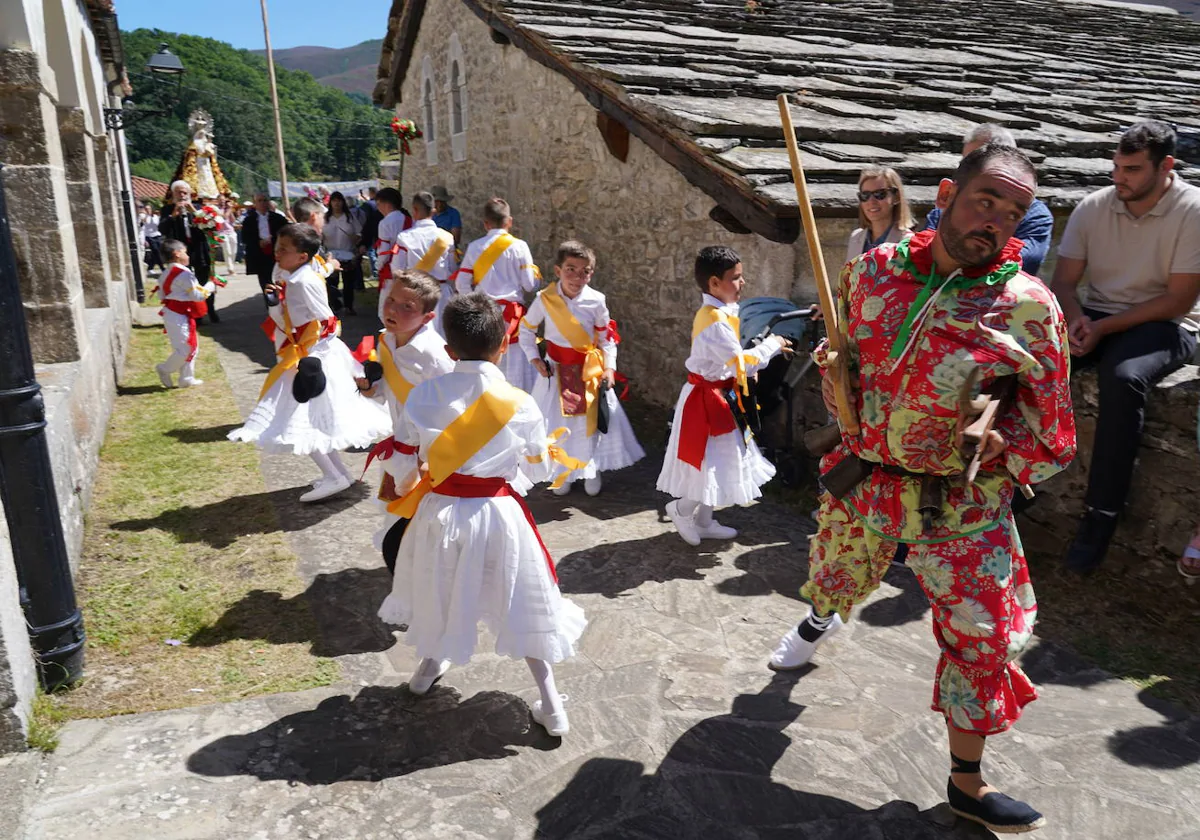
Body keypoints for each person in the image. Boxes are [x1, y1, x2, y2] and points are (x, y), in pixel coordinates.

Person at [768, 145, 1076, 835]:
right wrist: (834, 374)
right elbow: (842, 356)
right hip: (866, 484)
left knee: (984, 639)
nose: (995, 222)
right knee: (833, 576)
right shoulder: (872, 273)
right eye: (984, 201)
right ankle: (821, 617)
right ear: (946, 193)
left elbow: (1053, 437)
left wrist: (1002, 444)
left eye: (1014, 213)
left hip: (962, 506)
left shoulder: (1028, 308)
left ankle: (967, 783)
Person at [376, 292, 587, 736]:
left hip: (440, 511)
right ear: (504, 345)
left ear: (449, 350)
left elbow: (401, 455)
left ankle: (425, 669)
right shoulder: (520, 401)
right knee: (522, 601)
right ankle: (552, 705)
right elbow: (542, 465)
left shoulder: (425, 395)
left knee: (441, 588)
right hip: (498, 513)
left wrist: (403, 482)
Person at [1051, 120, 1200, 573]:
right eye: (1117, 166)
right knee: (1035, 359)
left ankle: (1101, 516)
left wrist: (1102, 328)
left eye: (1133, 169)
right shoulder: (1095, 206)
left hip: (1167, 322)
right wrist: (1076, 320)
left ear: (1166, 166)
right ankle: (1007, 482)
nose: (1120, 178)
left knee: (1123, 379)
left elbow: (1179, 299)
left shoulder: (1193, 210)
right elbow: (1063, 282)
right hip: (1096, 313)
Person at [227, 224, 391, 503]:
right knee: (308, 417)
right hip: (308, 353)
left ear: (302, 256)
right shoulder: (295, 275)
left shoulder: (303, 281)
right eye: (277, 248)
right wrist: (276, 304)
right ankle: (338, 474)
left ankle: (335, 476)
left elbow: (325, 321)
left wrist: (312, 359)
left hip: (313, 358)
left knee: (300, 419)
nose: (276, 253)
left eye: (283, 250)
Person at [657, 245, 791, 545]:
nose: (742, 283)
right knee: (708, 461)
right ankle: (680, 509)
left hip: (717, 395)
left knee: (719, 460)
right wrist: (774, 343)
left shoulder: (720, 312)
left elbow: (732, 362)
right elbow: (741, 361)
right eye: (736, 277)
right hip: (704, 401)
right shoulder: (714, 320)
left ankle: (704, 521)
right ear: (714, 283)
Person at [520, 240, 645, 496]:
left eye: (584, 271)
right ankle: (564, 470)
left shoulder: (597, 300)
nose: (577, 276)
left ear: (591, 273)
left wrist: (609, 367)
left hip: (589, 372)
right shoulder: (545, 299)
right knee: (560, 422)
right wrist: (535, 358)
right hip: (555, 372)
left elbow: (607, 337)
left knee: (589, 422)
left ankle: (591, 467)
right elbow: (526, 329)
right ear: (557, 270)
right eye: (570, 269)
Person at [356, 270, 454, 573]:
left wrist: (433, 458)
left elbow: (451, 411)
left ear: (427, 317)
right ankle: (408, 575)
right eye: (391, 300)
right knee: (399, 521)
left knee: (424, 525)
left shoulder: (434, 356)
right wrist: (371, 389)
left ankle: (427, 580)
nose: (393, 310)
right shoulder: (386, 342)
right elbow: (389, 391)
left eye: (407, 307)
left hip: (426, 458)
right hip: (398, 449)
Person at [924, 124, 1054, 276]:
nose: (995, 225)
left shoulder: (1037, 217)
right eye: (967, 162)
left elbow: (1025, 260)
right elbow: (928, 250)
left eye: (1013, 216)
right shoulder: (892, 267)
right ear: (946, 195)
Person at [454, 197, 541, 391]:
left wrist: (476, 302)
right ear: (509, 221)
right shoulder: (520, 246)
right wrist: (537, 280)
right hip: (513, 317)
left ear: (486, 223)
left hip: (484, 314)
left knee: (486, 360)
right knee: (517, 364)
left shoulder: (475, 247)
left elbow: (461, 283)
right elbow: (529, 285)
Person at [391, 191, 457, 329]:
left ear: (414, 210)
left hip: (415, 294)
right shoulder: (447, 237)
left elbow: (397, 270)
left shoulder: (404, 237)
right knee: (442, 336)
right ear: (433, 211)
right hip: (441, 293)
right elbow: (452, 270)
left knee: (416, 334)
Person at [154, 238, 214, 389]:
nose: (188, 255)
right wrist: (211, 285)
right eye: (185, 252)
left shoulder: (166, 272)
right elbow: (197, 296)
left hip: (173, 313)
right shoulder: (184, 274)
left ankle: (186, 378)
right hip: (178, 313)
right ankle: (165, 369)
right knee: (185, 348)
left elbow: (160, 295)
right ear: (177, 253)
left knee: (189, 346)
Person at [159, 180, 217, 322]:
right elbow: (162, 229)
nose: (182, 195)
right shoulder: (167, 210)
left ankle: (210, 310)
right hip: (179, 252)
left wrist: (195, 212)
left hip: (198, 249)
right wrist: (173, 215)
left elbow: (210, 227)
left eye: (185, 192)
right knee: (185, 282)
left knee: (203, 280)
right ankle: (195, 315)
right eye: (179, 192)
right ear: (173, 194)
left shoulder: (199, 208)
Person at [846, 167, 913, 262]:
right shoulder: (856, 238)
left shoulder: (907, 242)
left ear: (896, 197)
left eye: (880, 194)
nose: (871, 201)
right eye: (865, 195)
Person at [322, 191, 363, 315]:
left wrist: (356, 238)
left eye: (339, 200)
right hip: (330, 255)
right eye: (334, 200)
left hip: (347, 253)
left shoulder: (349, 217)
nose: (337, 203)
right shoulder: (326, 218)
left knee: (348, 283)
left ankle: (348, 306)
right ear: (330, 203)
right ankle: (335, 305)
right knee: (330, 283)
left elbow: (359, 232)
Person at [243, 193, 288, 303]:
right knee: (265, 281)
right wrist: (258, 243)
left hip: (276, 254)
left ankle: (283, 303)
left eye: (265, 200)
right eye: (260, 201)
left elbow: (286, 234)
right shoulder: (249, 220)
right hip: (260, 255)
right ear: (255, 204)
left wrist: (273, 241)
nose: (263, 203)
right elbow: (245, 238)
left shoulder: (278, 218)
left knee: (279, 279)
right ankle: (270, 305)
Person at [373, 188, 413, 296]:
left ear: (386, 204)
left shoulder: (385, 223)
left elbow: (384, 250)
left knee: (386, 307)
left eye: (378, 204)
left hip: (389, 270)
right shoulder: (409, 220)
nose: (378, 208)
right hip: (408, 269)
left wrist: (379, 266)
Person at [141, 204, 164, 274]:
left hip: (157, 235)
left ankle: (150, 267)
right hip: (149, 236)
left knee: (157, 252)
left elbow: (159, 225)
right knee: (155, 251)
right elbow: (143, 227)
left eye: (149, 209)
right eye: (146, 209)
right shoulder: (144, 217)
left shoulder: (156, 217)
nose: (148, 210)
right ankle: (162, 268)